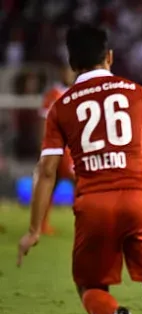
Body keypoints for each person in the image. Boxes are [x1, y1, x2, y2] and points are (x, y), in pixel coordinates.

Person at [16, 24, 142, 314]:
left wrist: (34, 229)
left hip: (93, 204)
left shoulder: (61, 106)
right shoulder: (139, 93)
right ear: (109, 56)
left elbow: (47, 171)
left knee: (89, 287)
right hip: (141, 199)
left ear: (72, 63)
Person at [39, 63, 76, 235]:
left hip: (73, 147)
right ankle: (42, 223)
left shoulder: (78, 92)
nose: (69, 74)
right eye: (66, 70)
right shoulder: (53, 94)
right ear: (61, 72)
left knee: (79, 183)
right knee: (53, 183)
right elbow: (43, 121)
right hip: (57, 148)